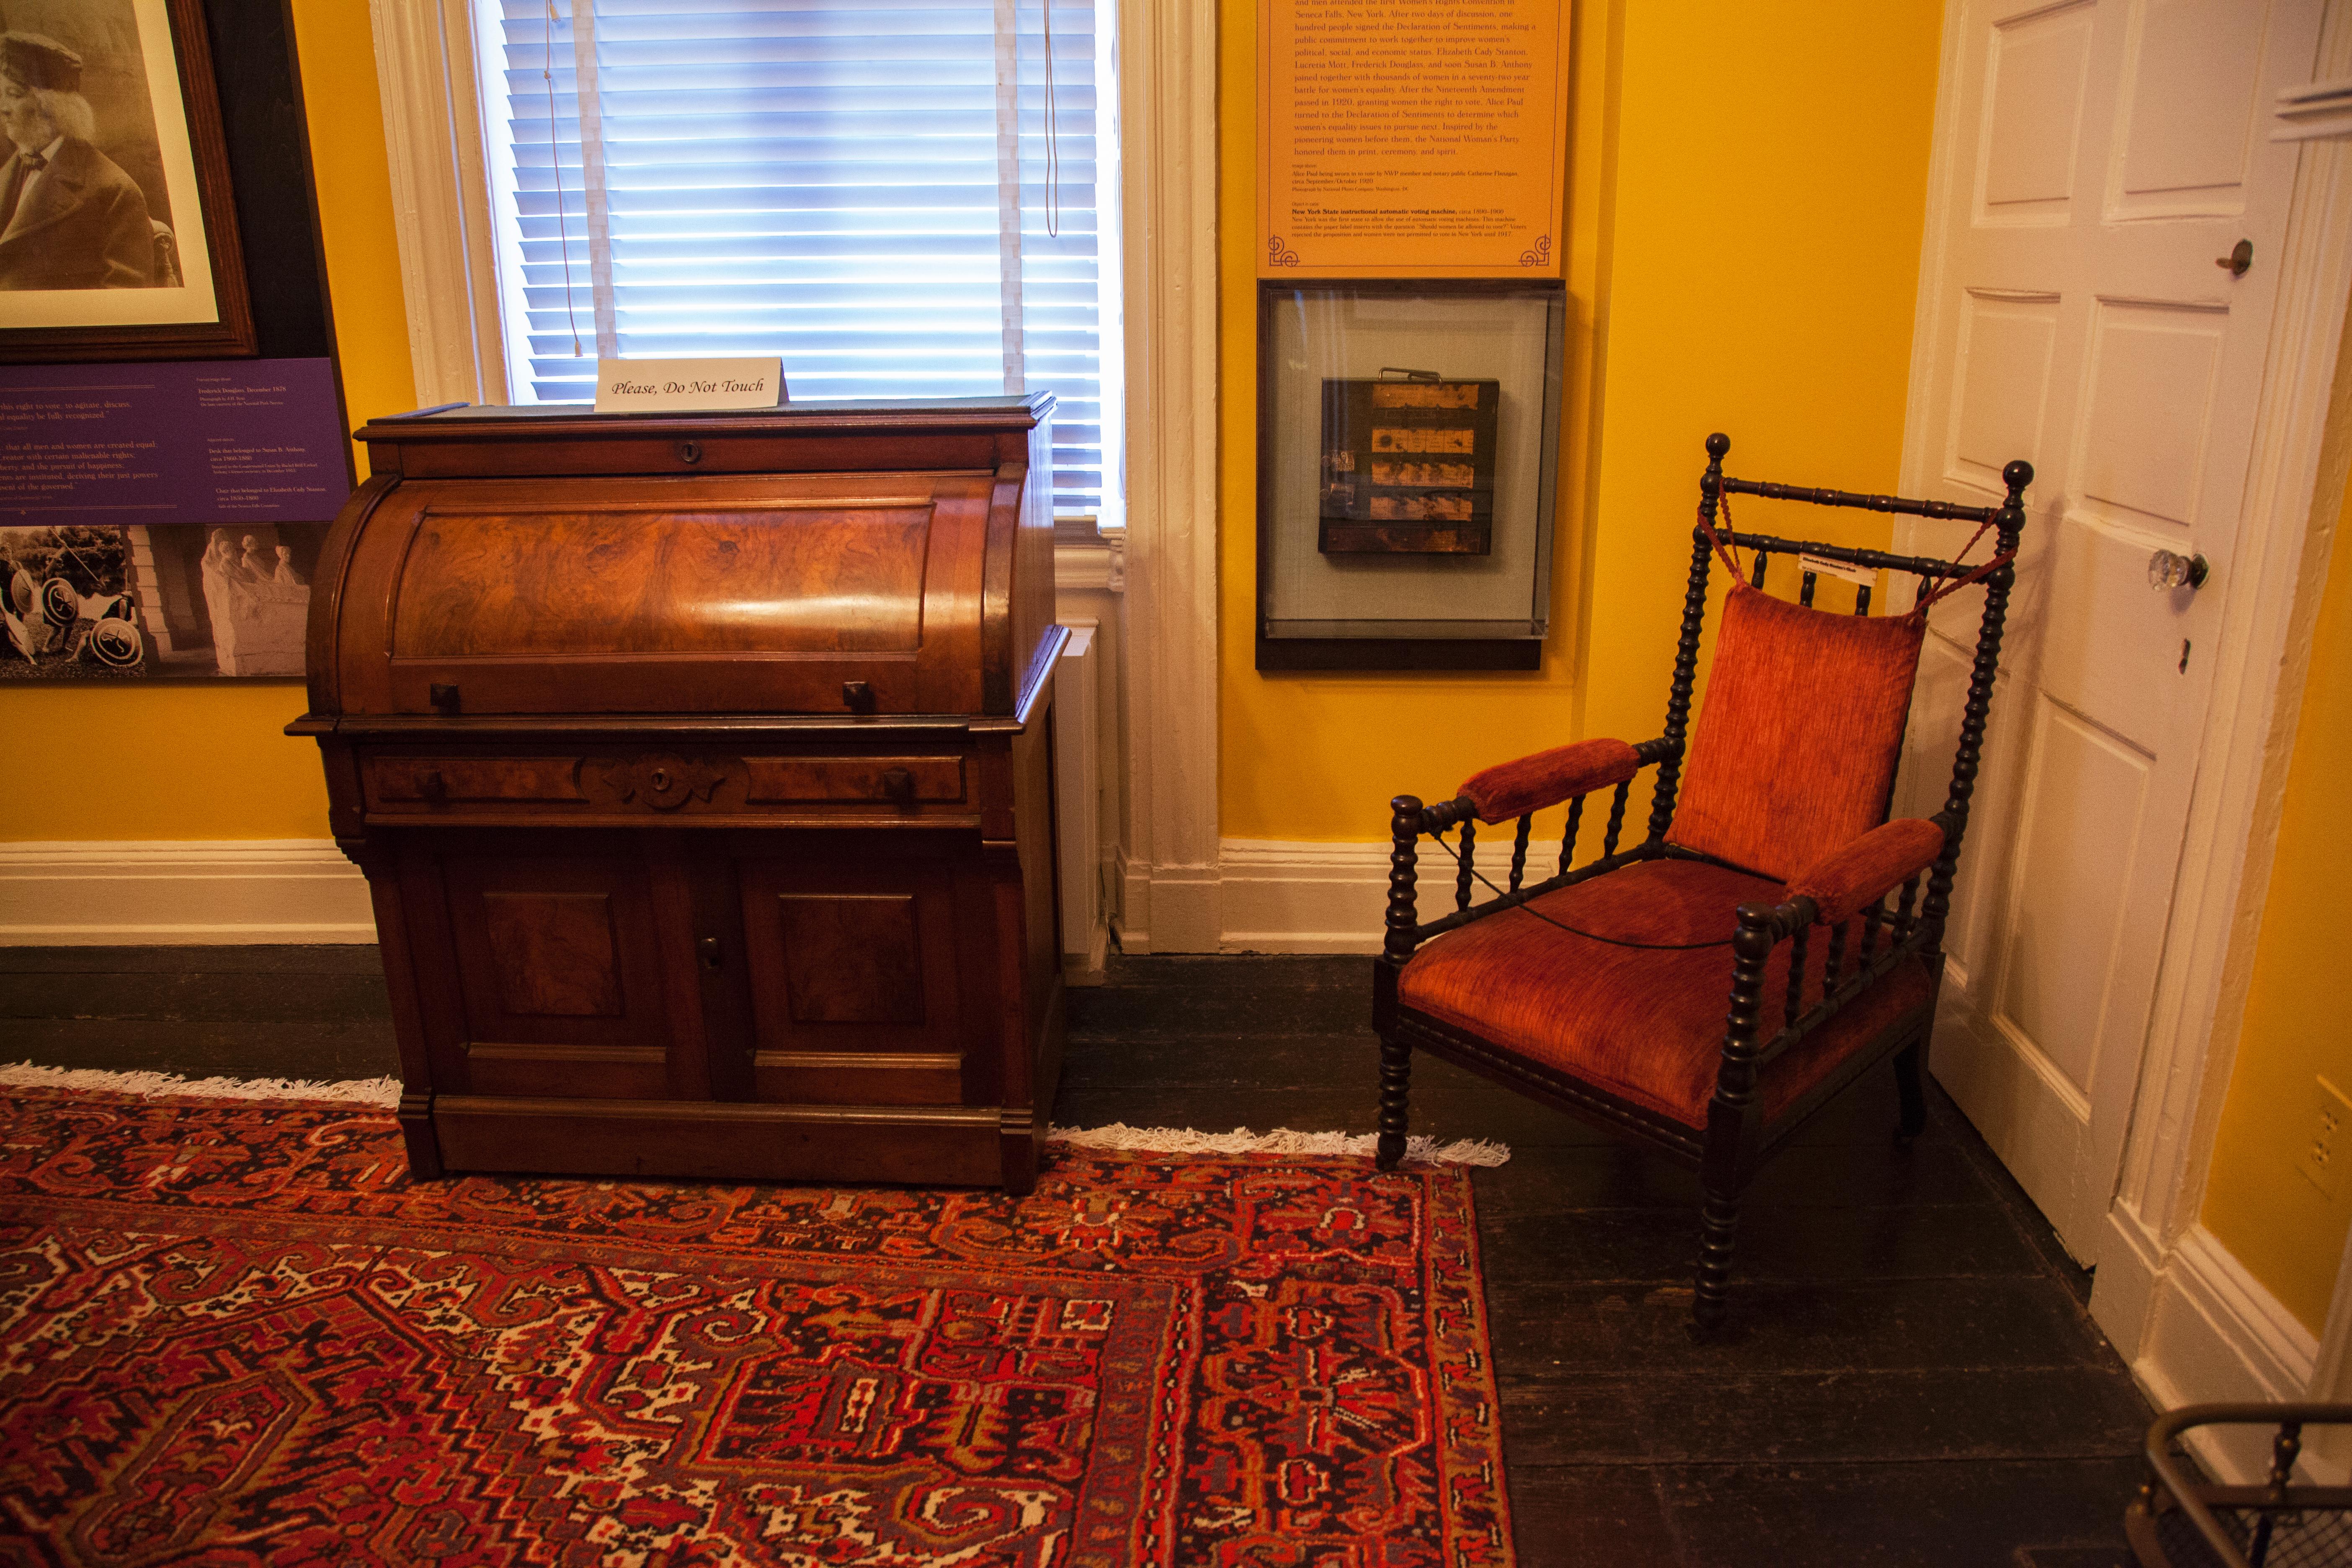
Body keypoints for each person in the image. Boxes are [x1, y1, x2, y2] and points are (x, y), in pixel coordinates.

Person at [0, 33, 153, 291]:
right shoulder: (9, 173)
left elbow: (128, 302)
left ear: (51, 107)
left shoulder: (115, 192)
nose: (3, 107)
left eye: (14, 95)